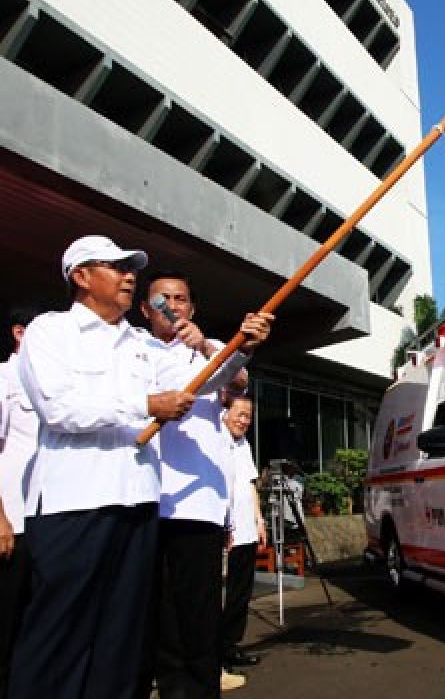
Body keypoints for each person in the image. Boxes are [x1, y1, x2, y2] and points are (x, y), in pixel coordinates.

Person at [10, 235, 272, 699]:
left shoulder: (141, 344)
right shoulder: (50, 332)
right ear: (81, 276)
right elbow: (58, 407)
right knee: (61, 634)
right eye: (114, 266)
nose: (129, 275)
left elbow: (196, 382)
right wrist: (145, 403)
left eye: (131, 267)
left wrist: (240, 347)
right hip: (74, 506)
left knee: (123, 642)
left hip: (137, 507)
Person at [139, 270, 257, 698]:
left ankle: (202, 687)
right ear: (145, 309)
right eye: (162, 299)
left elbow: (239, 380)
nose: (172, 305)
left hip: (200, 502)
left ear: (192, 308)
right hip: (148, 497)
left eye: (181, 299)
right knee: (160, 608)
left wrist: (207, 346)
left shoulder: (211, 352)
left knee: (200, 607)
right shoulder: (134, 349)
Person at [0, 306, 40, 697]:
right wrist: (1, 519)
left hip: (45, 518)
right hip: (12, 519)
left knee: (35, 620)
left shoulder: (47, 382)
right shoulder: (4, 377)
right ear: (18, 333)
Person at [221, 393, 265, 681]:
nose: (244, 421)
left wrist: (259, 520)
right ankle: (215, 657)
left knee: (240, 595)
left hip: (247, 531)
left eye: (248, 416)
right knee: (219, 598)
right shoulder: (216, 441)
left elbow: (250, 485)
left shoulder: (243, 444)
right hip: (227, 533)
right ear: (224, 412)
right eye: (240, 414)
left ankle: (230, 647)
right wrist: (225, 527)